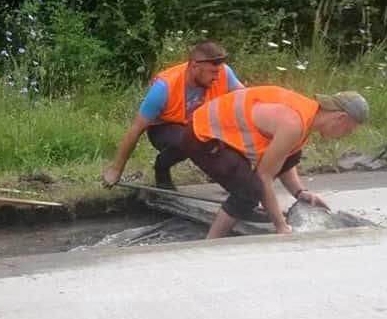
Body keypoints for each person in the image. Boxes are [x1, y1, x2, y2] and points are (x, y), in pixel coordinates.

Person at [183, 86, 368, 239]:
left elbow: (285, 159)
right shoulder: (293, 124)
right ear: (340, 118)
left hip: (216, 132)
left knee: (292, 156)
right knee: (250, 190)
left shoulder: (307, 115)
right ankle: (211, 242)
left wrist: (300, 192)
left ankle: (237, 213)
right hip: (202, 135)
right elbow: (264, 176)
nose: (345, 136)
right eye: (348, 130)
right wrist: (281, 226)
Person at [102, 40, 244, 191]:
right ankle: (161, 168)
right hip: (165, 129)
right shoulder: (163, 88)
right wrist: (116, 170)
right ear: (195, 67)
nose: (217, 77)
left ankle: (226, 178)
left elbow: (244, 99)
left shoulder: (223, 73)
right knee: (188, 140)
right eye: (213, 73)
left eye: (219, 71)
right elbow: (135, 130)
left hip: (199, 125)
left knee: (229, 130)